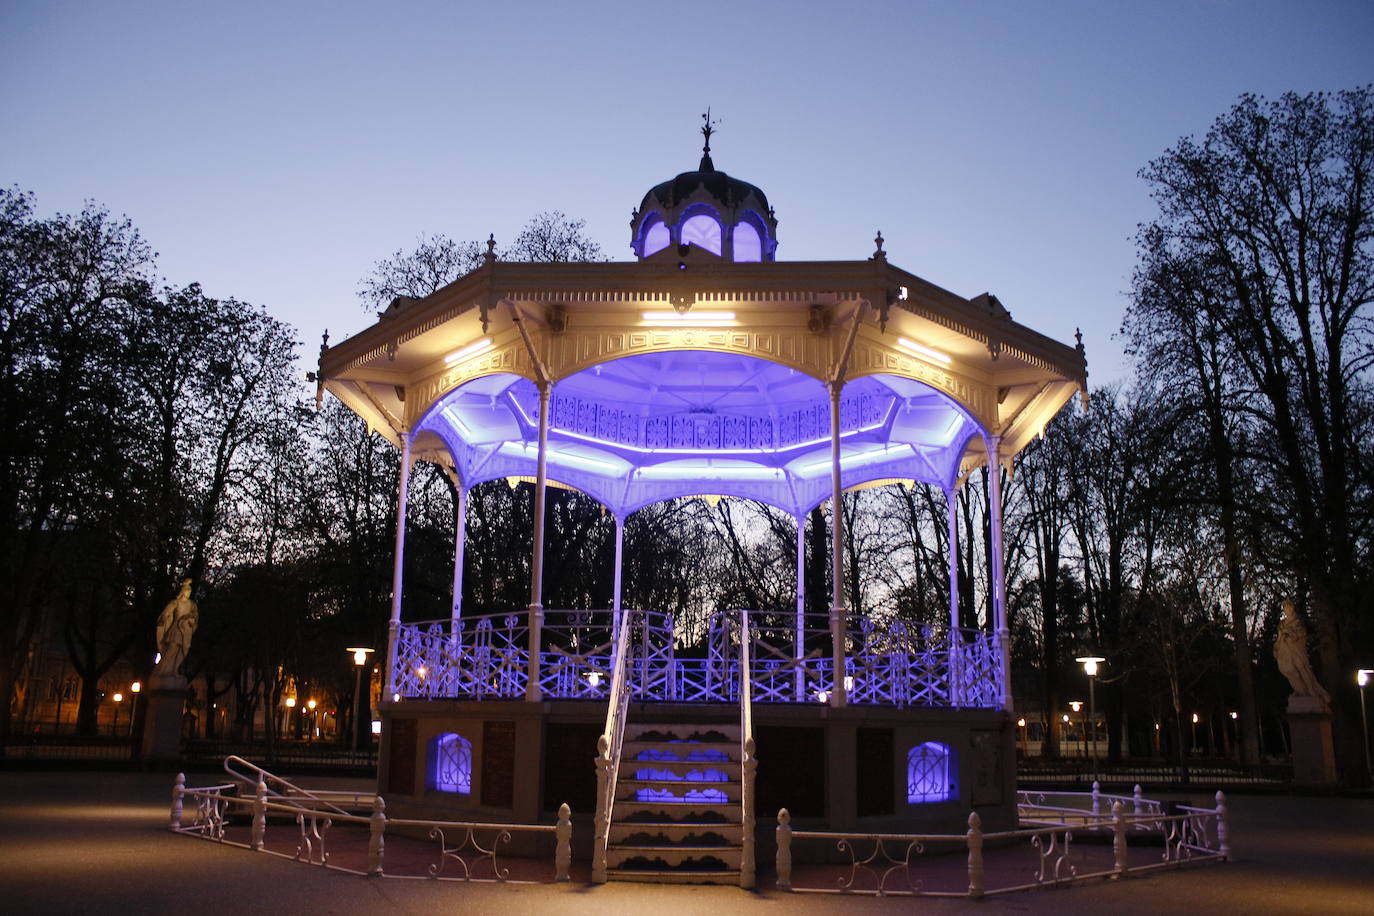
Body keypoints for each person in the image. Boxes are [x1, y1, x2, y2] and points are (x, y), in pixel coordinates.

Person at [1273, 599, 1330, 705]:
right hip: (1286, 650)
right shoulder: (1282, 623)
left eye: (1288, 607)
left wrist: (1290, 633)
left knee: (1302, 669)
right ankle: (1300, 690)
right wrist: (1278, 646)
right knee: (1290, 671)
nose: (1287, 609)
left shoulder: (1298, 621)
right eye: (1285, 608)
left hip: (1297, 650)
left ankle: (1310, 690)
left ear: (1292, 608)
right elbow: (1279, 637)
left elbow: (1301, 634)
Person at [154, 579, 199, 678]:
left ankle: (174, 670)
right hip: (176, 629)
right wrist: (163, 619)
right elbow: (166, 613)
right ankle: (162, 670)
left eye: (189, 591)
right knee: (172, 650)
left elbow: (195, 616)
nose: (188, 593)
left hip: (186, 630)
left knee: (183, 652)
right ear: (183, 591)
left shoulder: (192, 605)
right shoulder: (175, 602)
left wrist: (191, 621)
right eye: (187, 591)